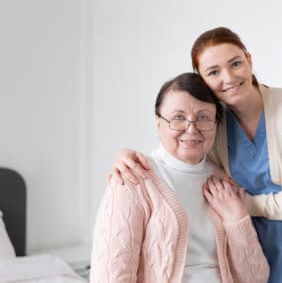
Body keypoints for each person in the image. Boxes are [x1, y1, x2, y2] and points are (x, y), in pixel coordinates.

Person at [108, 27, 282, 283]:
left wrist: (247, 206)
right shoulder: (210, 125)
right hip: (268, 267)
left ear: (249, 60)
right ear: (202, 79)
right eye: (214, 72)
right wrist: (127, 156)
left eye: (235, 63)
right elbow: (176, 151)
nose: (229, 77)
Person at [90, 72, 269, 283]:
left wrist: (236, 219)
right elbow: (110, 277)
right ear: (159, 123)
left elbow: (256, 279)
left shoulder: (225, 183)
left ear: (216, 124)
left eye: (203, 117)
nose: (191, 128)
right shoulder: (132, 178)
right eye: (178, 117)